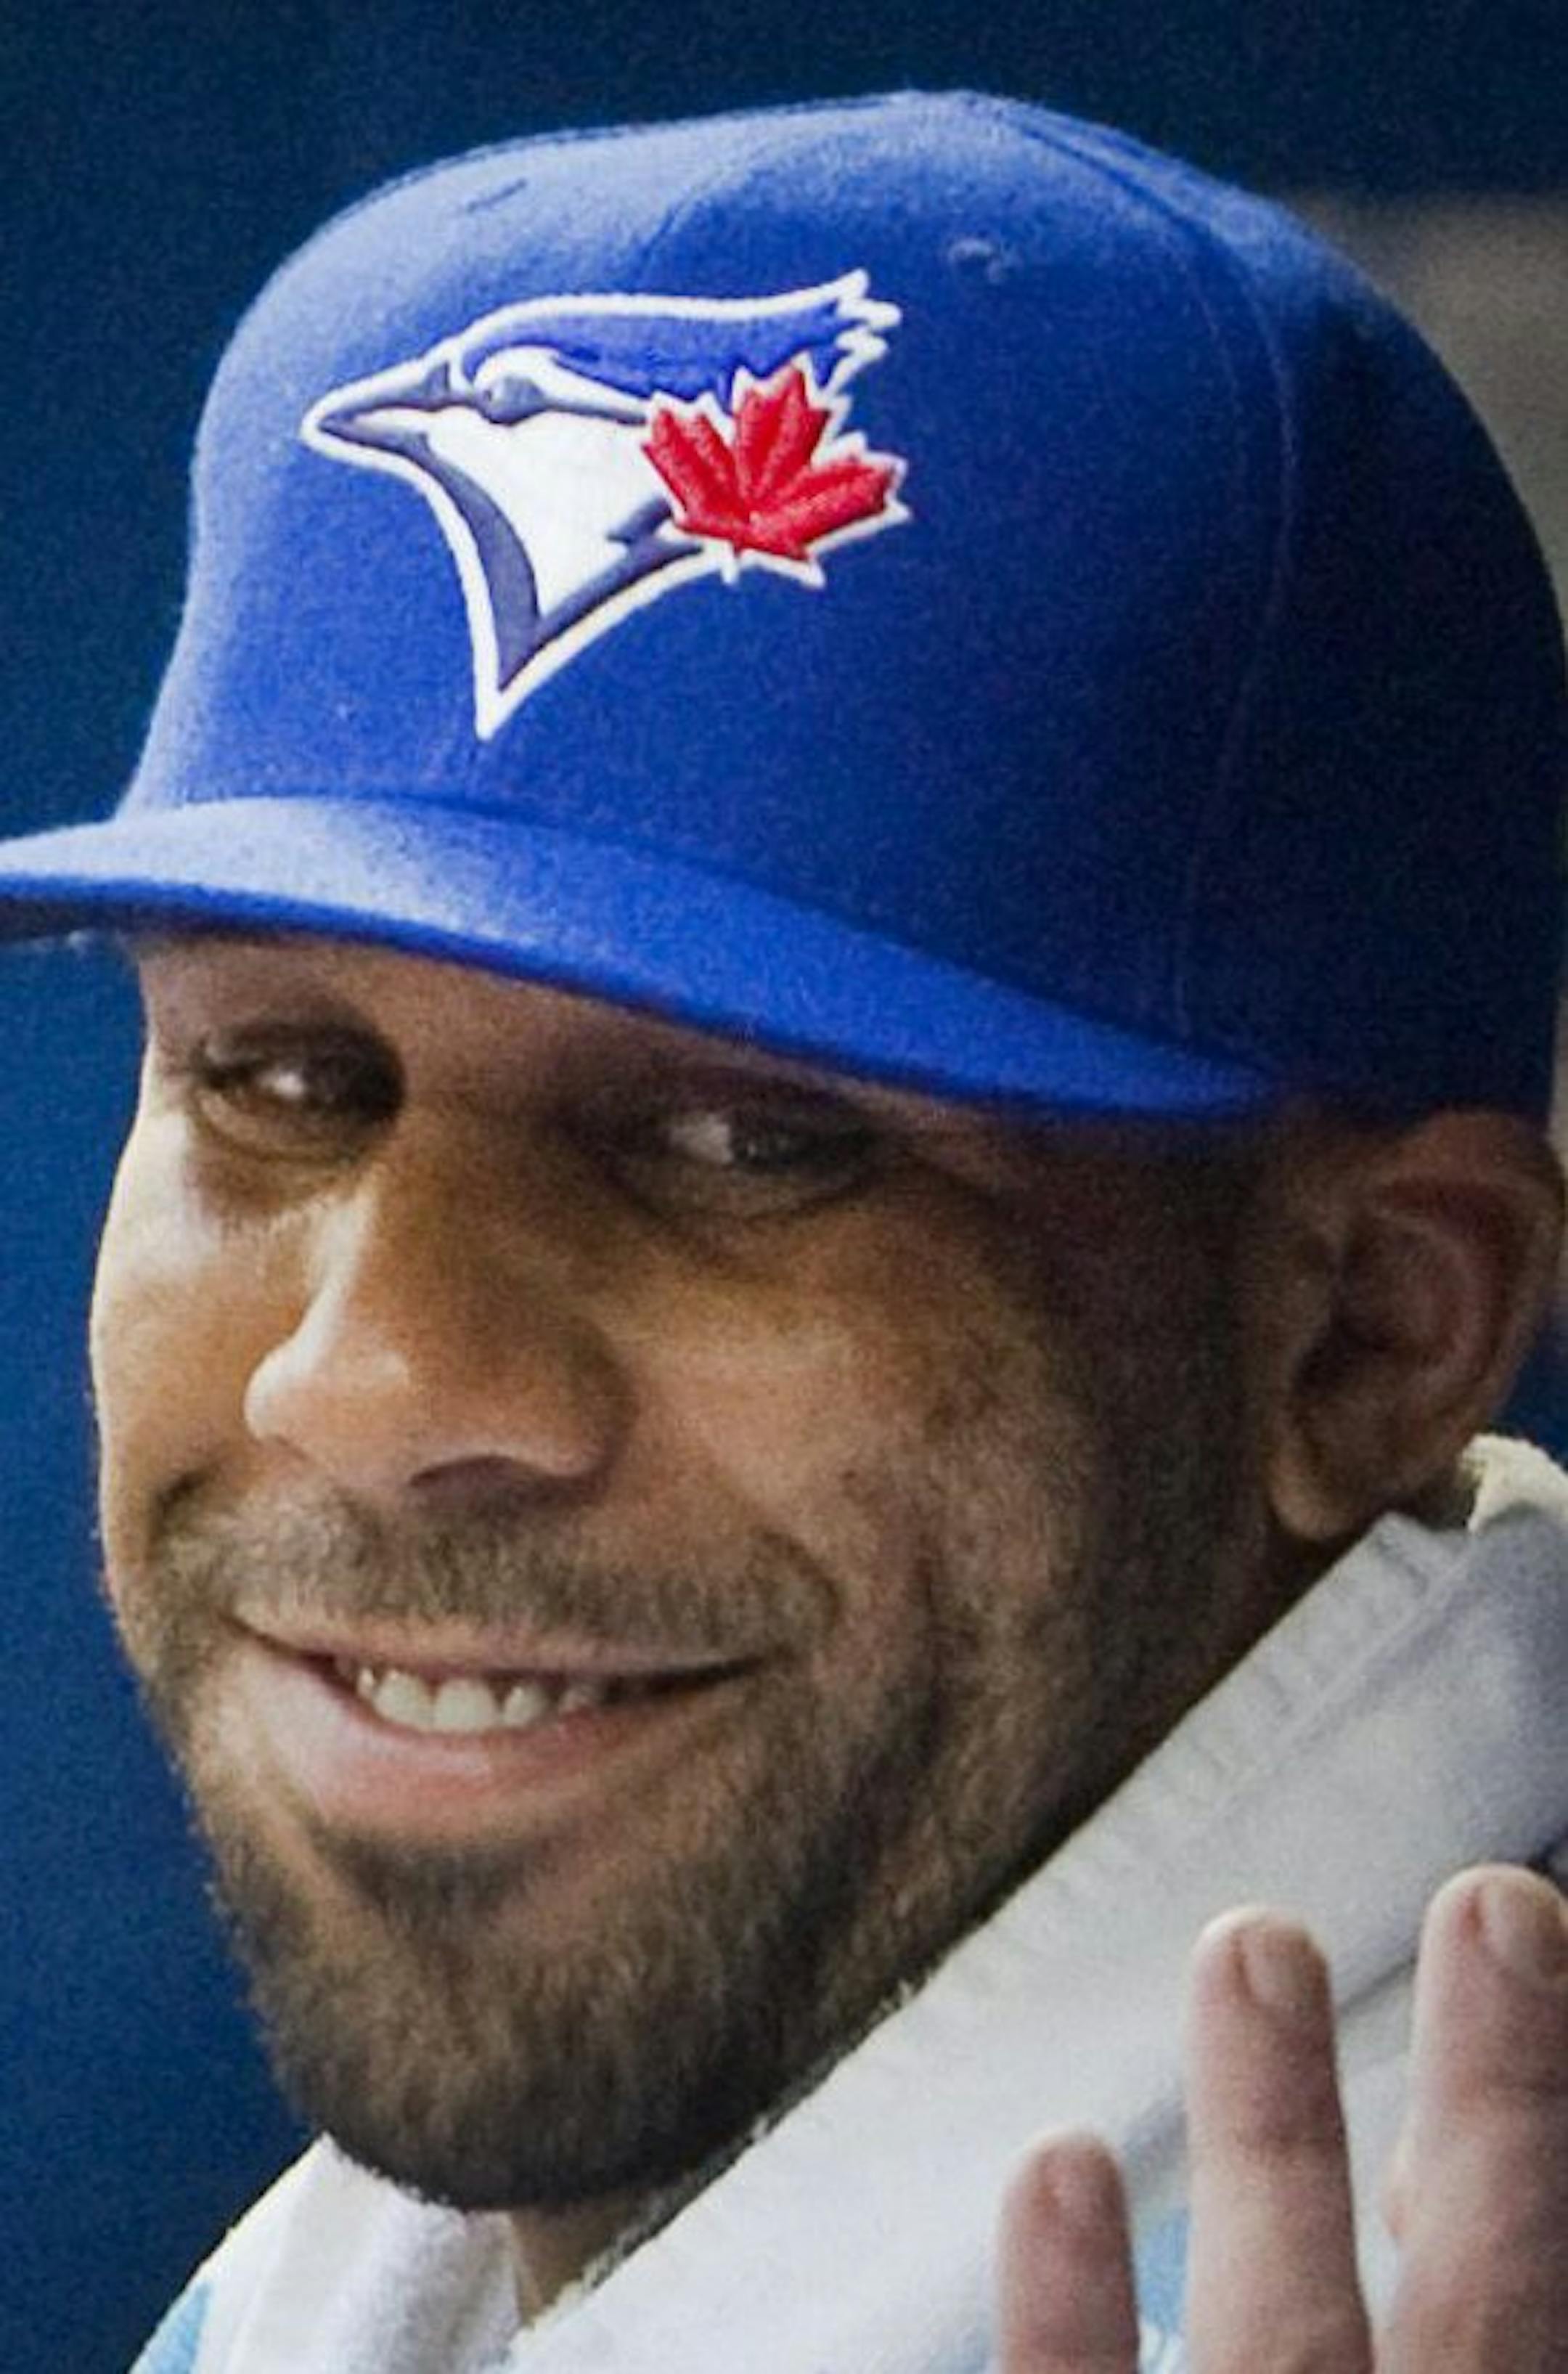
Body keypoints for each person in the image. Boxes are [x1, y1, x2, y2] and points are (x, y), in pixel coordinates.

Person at [1, 90, 1564, 2374]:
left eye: (739, 1142)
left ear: (1369, 1332)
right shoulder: (356, 2287)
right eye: (284, 1083)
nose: (365, 1374)